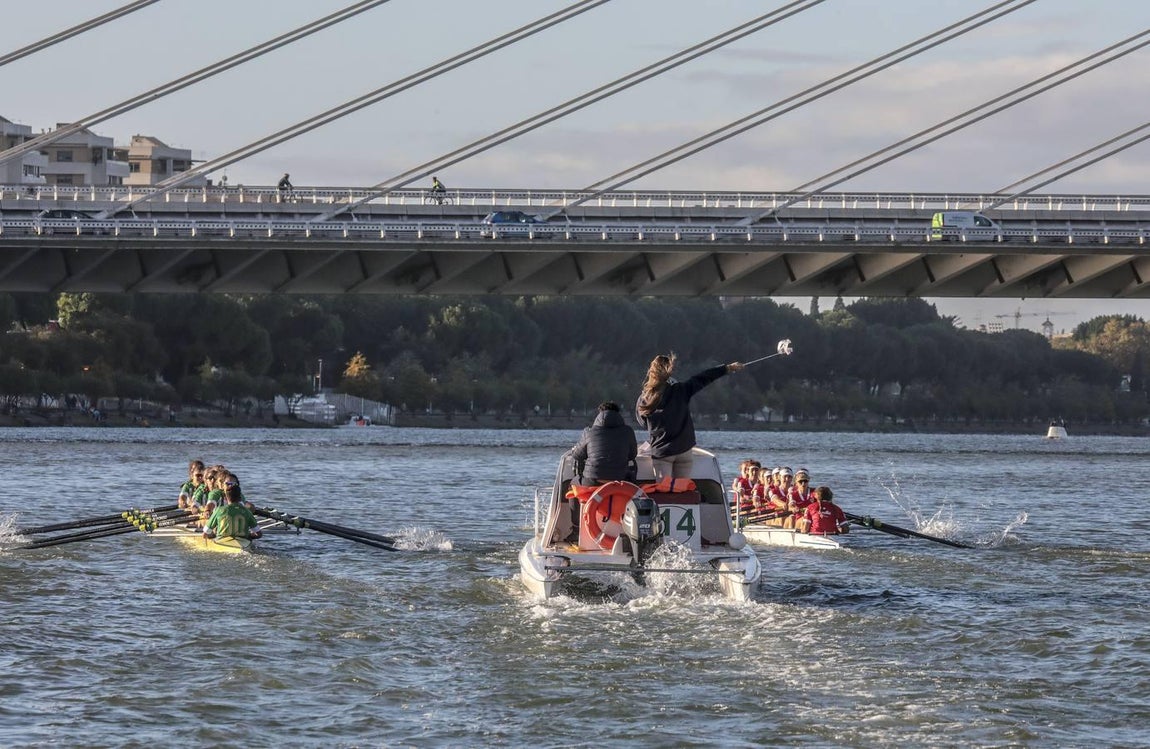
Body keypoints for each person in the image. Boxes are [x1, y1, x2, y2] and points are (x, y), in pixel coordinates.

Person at [635, 354, 744, 479]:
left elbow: (642, 422)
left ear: (651, 371)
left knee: (664, 491)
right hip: (683, 449)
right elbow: (703, 377)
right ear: (669, 370)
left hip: (662, 451)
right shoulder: (681, 390)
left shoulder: (644, 398)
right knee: (681, 490)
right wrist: (727, 368)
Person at [571, 401, 638, 486]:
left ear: (599, 415)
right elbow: (632, 455)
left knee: (573, 484)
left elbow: (577, 455)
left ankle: (579, 499)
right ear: (618, 414)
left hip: (592, 481)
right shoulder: (628, 431)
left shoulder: (589, 432)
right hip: (620, 480)